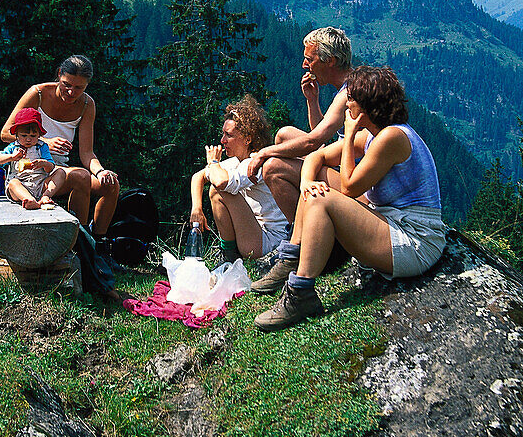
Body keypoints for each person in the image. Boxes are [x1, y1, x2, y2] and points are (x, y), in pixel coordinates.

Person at [254, 65, 447, 332]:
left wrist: (348, 136)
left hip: (415, 239)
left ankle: (300, 293)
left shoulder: (392, 137)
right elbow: (316, 157)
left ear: (367, 105)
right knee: (315, 190)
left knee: (321, 198)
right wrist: (308, 183)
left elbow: (348, 188)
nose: (347, 103)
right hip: (388, 217)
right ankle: (294, 256)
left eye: (352, 98)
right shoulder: (375, 134)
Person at [1, 54, 119, 247]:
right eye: (66, 84)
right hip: (29, 172)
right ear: (59, 75)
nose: (71, 92)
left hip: (57, 172)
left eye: (78, 88)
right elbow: (6, 133)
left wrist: (100, 171)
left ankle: (99, 243)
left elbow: (87, 153)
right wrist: (44, 142)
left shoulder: (87, 105)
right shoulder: (37, 93)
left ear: (87, 85)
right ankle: (78, 242)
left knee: (111, 185)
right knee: (80, 176)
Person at [246, 27, 353, 224]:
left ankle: (301, 233)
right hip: (342, 165)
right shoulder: (349, 86)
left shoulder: (349, 93)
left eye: (310, 59)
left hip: (353, 182)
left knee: (273, 168)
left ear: (330, 60)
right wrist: (312, 101)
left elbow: (313, 142)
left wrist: (263, 152)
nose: (305, 65)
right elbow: (321, 134)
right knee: (285, 134)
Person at [189, 95, 289, 263]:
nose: (222, 141)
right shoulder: (237, 162)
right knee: (218, 186)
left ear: (247, 138)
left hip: (270, 242)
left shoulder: (254, 164)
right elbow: (197, 176)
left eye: (229, 135)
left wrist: (214, 162)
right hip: (256, 233)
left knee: (218, 191)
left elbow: (220, 182)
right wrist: (196, 209)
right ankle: (231, 255)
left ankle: (230, 256)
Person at [0, 107, 67, 210]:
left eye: (33, 136)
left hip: (40, 184)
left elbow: (51, 167)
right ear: (16, 135)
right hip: (20, 186)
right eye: (24, 135)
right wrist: (11, 157)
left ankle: (46, 196)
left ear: (39, 135)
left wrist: (44, 163)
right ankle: (29, 200)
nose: (28, 139)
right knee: (13, 183)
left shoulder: (42, 147)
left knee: (60, 172)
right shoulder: (13, 147)